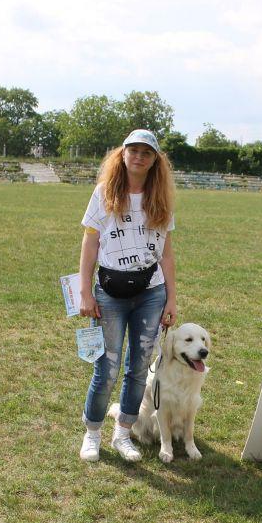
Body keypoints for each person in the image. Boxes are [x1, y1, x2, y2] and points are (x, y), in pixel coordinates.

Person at [78, 129, 177, 462]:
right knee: (105, 368)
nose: (139, 156)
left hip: (151, 293)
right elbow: (90, 242)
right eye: (133, 150)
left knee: (139, 368)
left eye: (146, 153)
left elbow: (166, 253)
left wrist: (172, 299)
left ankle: (123, 434)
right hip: (109, 293)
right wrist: (84, 292)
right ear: (122, 155)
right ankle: (92, 434)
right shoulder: (104, 193)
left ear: (154, 161)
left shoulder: (159, 198)